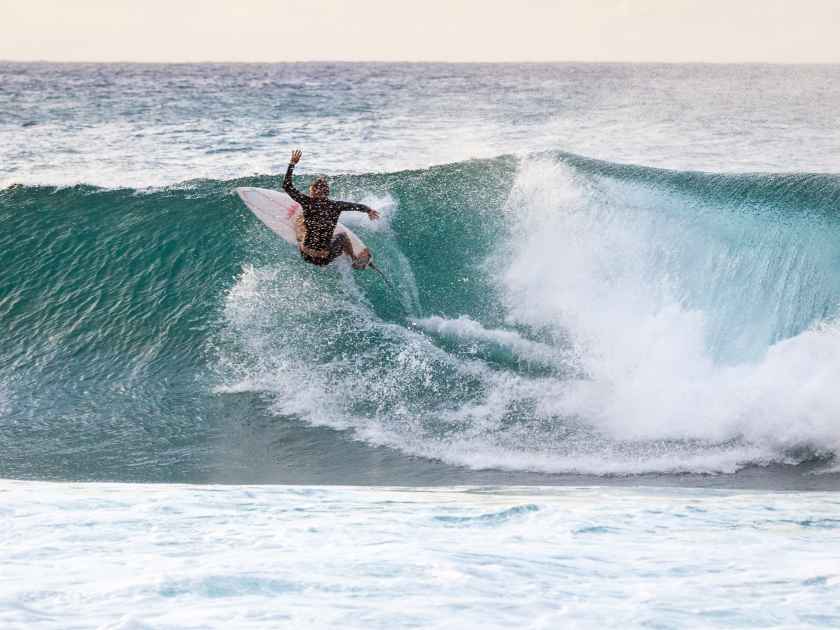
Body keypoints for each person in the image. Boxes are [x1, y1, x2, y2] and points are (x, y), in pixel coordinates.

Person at [282, 149, 380, 268]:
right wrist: (369, 210)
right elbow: (356, 206)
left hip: (306, 254)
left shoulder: (307, 202)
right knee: (342, 236)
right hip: (324, 259)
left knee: (300, 219)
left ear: (312, 192)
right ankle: (353, 258)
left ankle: (300, 235)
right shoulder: (336, 205)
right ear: (327, 193)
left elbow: (286, 185)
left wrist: (292, 163)